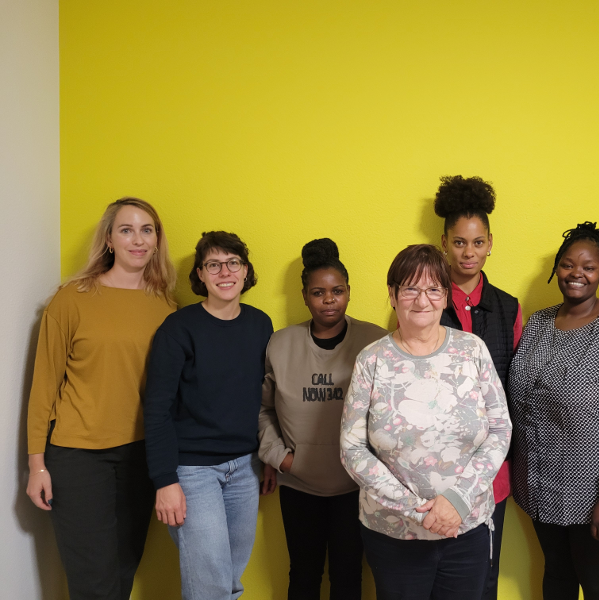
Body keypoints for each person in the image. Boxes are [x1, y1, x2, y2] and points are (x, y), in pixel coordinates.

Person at [340, 244, 512, 600]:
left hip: (466, 529)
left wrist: (457, 500)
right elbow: (351, 447)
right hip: (393, 533)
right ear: (392, 295)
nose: (422, 300)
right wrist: (416, 510)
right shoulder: (372, 360)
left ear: (445, 296)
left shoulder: (472, 350)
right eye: (410, 289)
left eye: (433, 289)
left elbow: (500, 429)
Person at [26, 197, 176, 600]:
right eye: (126, 230)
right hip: (78, 457)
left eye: (147, 230)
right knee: (92, 580)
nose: (138, 240)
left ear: (157, 240)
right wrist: (36, 465)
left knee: (124, 568)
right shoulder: (71, 299)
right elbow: (43, 387)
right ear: (109, 239)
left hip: (141, 455)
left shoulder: (165, 305)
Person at [507, 221, 599, 600]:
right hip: (539, 487)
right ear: (556, 268)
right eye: (568, 265)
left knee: (598, 586)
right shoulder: (538, 324)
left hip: (595, 495)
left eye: (588, 267)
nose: (577, 274)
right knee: (556, 578)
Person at [144, 231, 273, 600]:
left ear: (246, 271)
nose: (225, 272)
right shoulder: (178, 329)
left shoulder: (260, 324)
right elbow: (157, 408)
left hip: (245, 469)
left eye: (233, 263)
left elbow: (265, 399)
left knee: (230, 580)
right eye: (213, 265)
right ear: (200, 274)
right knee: (209, 585)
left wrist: (267, 458)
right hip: (192, 472)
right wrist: (164, 480)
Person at [258, 238, 386, 600]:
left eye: (337, 291)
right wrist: (280, 458)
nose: (329, 299)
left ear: (349, 292)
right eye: (318, 292)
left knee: (348, 576)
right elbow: (264, 408)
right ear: (304, 296)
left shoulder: (375, 341)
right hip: (300, 485)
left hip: (356, 486)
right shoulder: (280, 344)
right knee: (303, 574)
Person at [433, 175, 523, 600]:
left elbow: (518, 387)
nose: (469, 253)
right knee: (438, 571)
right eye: (459, 243)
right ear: (444, 243)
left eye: (477, 242)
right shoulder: (424, 301)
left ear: (490, 243)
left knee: (486, 573)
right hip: (436, 463)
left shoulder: (508, 307)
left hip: (493, 466)